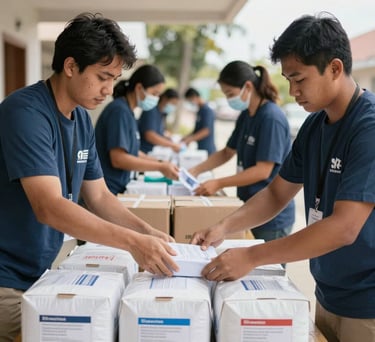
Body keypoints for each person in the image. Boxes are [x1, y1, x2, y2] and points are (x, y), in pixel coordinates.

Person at [191, 13, 375, 342]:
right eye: (288, 79)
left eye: (299, 79)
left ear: (334, 68)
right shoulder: (315, 126)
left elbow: (345, 227)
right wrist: (223, 227)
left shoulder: (368, 128)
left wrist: (252, 256)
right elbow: (276, 193)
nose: (292, 91)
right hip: (328, 293)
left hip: (367, 304)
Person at [0, 13, 179, 341]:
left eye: (114, 79)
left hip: (41, 272)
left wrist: (148, 231)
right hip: (5, 280)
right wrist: (133, 244)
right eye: (102, 77)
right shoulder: (25, 113)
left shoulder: (81, 119)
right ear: (70, 66)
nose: (109, 90)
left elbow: (99, 196)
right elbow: (49, 207)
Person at [190, 61, 295, 242]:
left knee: (263, 268)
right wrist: (194, 171)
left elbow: (263, 171)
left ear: (247, 87)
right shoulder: (246, 115)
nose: (230, 100)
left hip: (271, 217)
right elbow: (227, 152)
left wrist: (219, 183)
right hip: (249, 209)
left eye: (230, 94)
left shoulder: (271, 118)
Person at [95, 65, 179, 195]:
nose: (156, 99)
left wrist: (162, 163)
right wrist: (159, 166)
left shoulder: (128, 112)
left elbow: (133, 151)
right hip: (108, 189)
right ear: (139, 88)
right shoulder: (119, 111)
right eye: (154, 94)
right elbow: (118, 159)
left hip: (119, 186)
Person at [138, 88, 181, 154]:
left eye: (175, 104)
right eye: (172, 103)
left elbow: (159, 132)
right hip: (145, 151)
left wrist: (168, 138)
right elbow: (150, 135)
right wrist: (171, 145)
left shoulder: (161, 113)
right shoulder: (151, 110)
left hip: (153, 151)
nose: (173, 106)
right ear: (165, 99)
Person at [181, 87, 216, 154]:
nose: (190, 103)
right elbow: (196, 130)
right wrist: (186, 137)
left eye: (190, 100)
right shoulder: (199, 111)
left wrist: (189, 140)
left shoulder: (207, 111)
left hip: (207, 149)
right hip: (200, 147)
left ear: (194, 97)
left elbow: (206, 131)